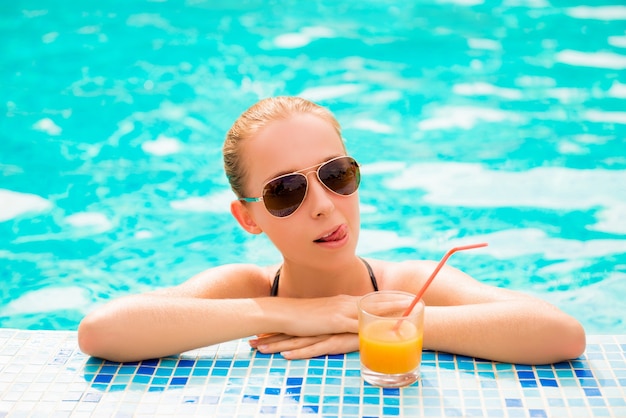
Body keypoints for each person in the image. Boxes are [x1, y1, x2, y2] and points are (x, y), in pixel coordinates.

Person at [78, 96, 586, 364]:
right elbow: (102, 330)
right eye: (286, 191)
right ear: (248, 217)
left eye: (336, 174)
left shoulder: (402, 288)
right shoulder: (245, 289)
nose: (324, 206)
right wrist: (294, 314)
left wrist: (378, 326)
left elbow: (561, 335)